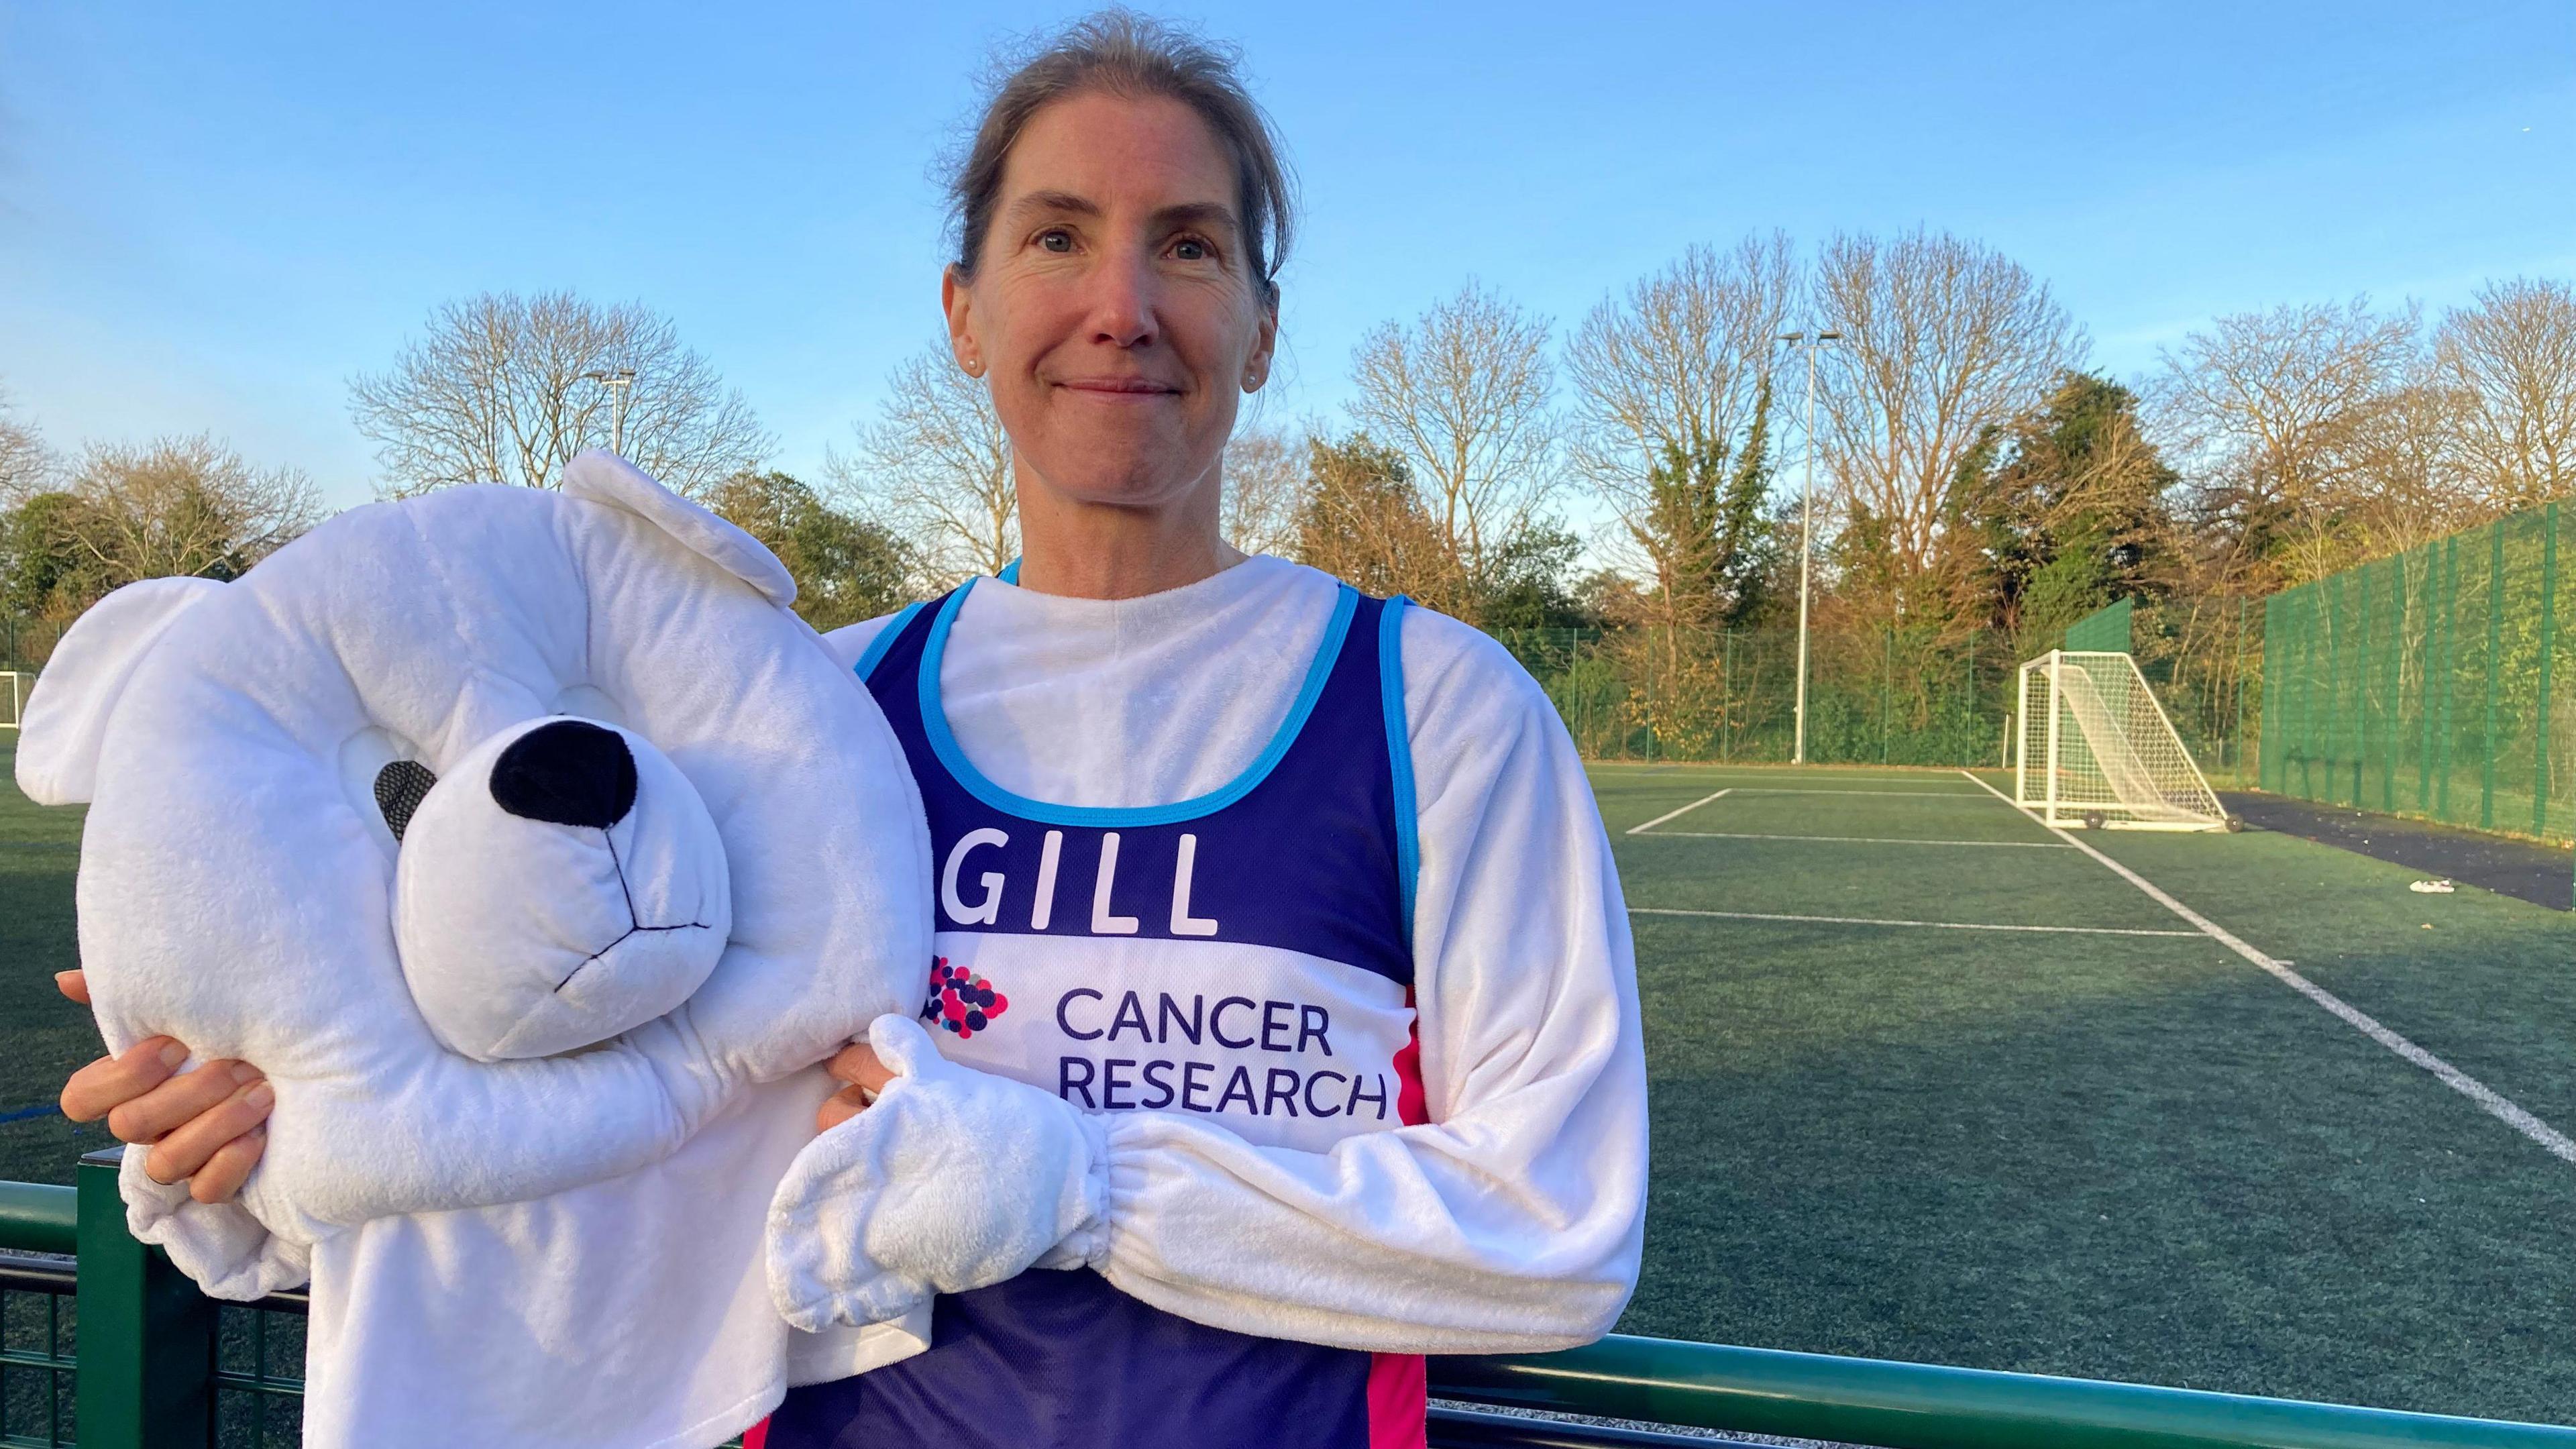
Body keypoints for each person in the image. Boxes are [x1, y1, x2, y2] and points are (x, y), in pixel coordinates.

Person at [58, 13, 1648, 1448]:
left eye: (1189, 245)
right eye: (1056, 238)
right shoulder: (806, 707)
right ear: (965, 312)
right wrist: (263, 1150)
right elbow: (587, 1137)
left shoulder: (1436, 707)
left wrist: (1076, 1182)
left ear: (1262, 323)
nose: (1121, 305)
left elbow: (1557, 1228)